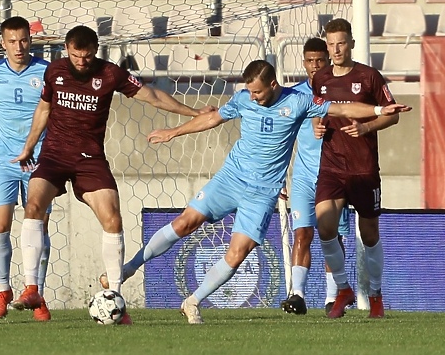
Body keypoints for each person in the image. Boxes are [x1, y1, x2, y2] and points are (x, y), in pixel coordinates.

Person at [105, 60, 409, 325]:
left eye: (258, 92)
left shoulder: (299, 101)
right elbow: (212, 118)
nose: (253, 97)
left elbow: (342, 108)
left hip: (262, 193)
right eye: (249, 91)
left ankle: (192, 302)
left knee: (238, 253)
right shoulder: (243, 100)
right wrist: (174, 131)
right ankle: (128, 269)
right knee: (186, 222)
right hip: (231, 178)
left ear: (273, 85)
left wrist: (380, 109)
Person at [11, 25, 210, 323]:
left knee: (113, 219)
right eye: (76, 55)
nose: (81, 62)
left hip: (90, 159)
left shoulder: (110, 74)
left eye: (87, 56)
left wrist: (194, 112)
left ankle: (116, 296)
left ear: (95, 52)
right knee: (33, 206)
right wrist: (29, 147)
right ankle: (31, 288)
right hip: (54, 154)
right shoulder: (54, 71)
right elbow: (43, 109)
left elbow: (153, 96)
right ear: (67, 49)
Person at [313, 18, 401, 320]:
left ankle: (375, 294)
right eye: (331, 44)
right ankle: (343, 289)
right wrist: (317, 126)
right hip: (332, 166)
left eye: (341, 43)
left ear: (351, 43)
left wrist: (366, 127)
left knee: (369, 233)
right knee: (325, 227)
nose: (336, 49)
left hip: (363, 168)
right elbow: (318, 112)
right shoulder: (320, 78)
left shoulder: (369, 77)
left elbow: (393, 116)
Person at [0, 16, 53, 321]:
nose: (19, 46)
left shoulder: (46, 72)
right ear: (2, 44)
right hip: (4, 160)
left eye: (24, 40)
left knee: (39, 227)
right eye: (12, 41)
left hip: (40, 160)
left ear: (29, 42)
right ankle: (3, 289)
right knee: (1, 226)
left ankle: (37, 293)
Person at [279, 38, 349, 315]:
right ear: (303, 62)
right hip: (304, 178)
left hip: (334, 175)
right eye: (310, 60)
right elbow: (282, 140)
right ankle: (297, 295)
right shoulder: (294, 95)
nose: (314, 66)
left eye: (320, 60)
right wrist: (279, 176)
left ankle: (333, 298)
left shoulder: (340, 93)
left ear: (328, 61)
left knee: (333, 237)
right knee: (302, 233)